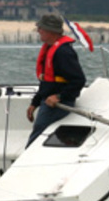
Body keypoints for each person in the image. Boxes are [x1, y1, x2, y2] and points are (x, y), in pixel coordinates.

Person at [27, 13, 86, 145]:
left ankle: (29, 155)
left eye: (41, 28)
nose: (38, 31)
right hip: (47, 102)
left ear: (50, 31)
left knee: (38, 135)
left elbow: (79, 80)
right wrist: (35, 103)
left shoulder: (63, 52)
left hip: (58, 105)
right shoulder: (50, 48)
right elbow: (47, 82)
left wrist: (59, 97)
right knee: (38, 132)